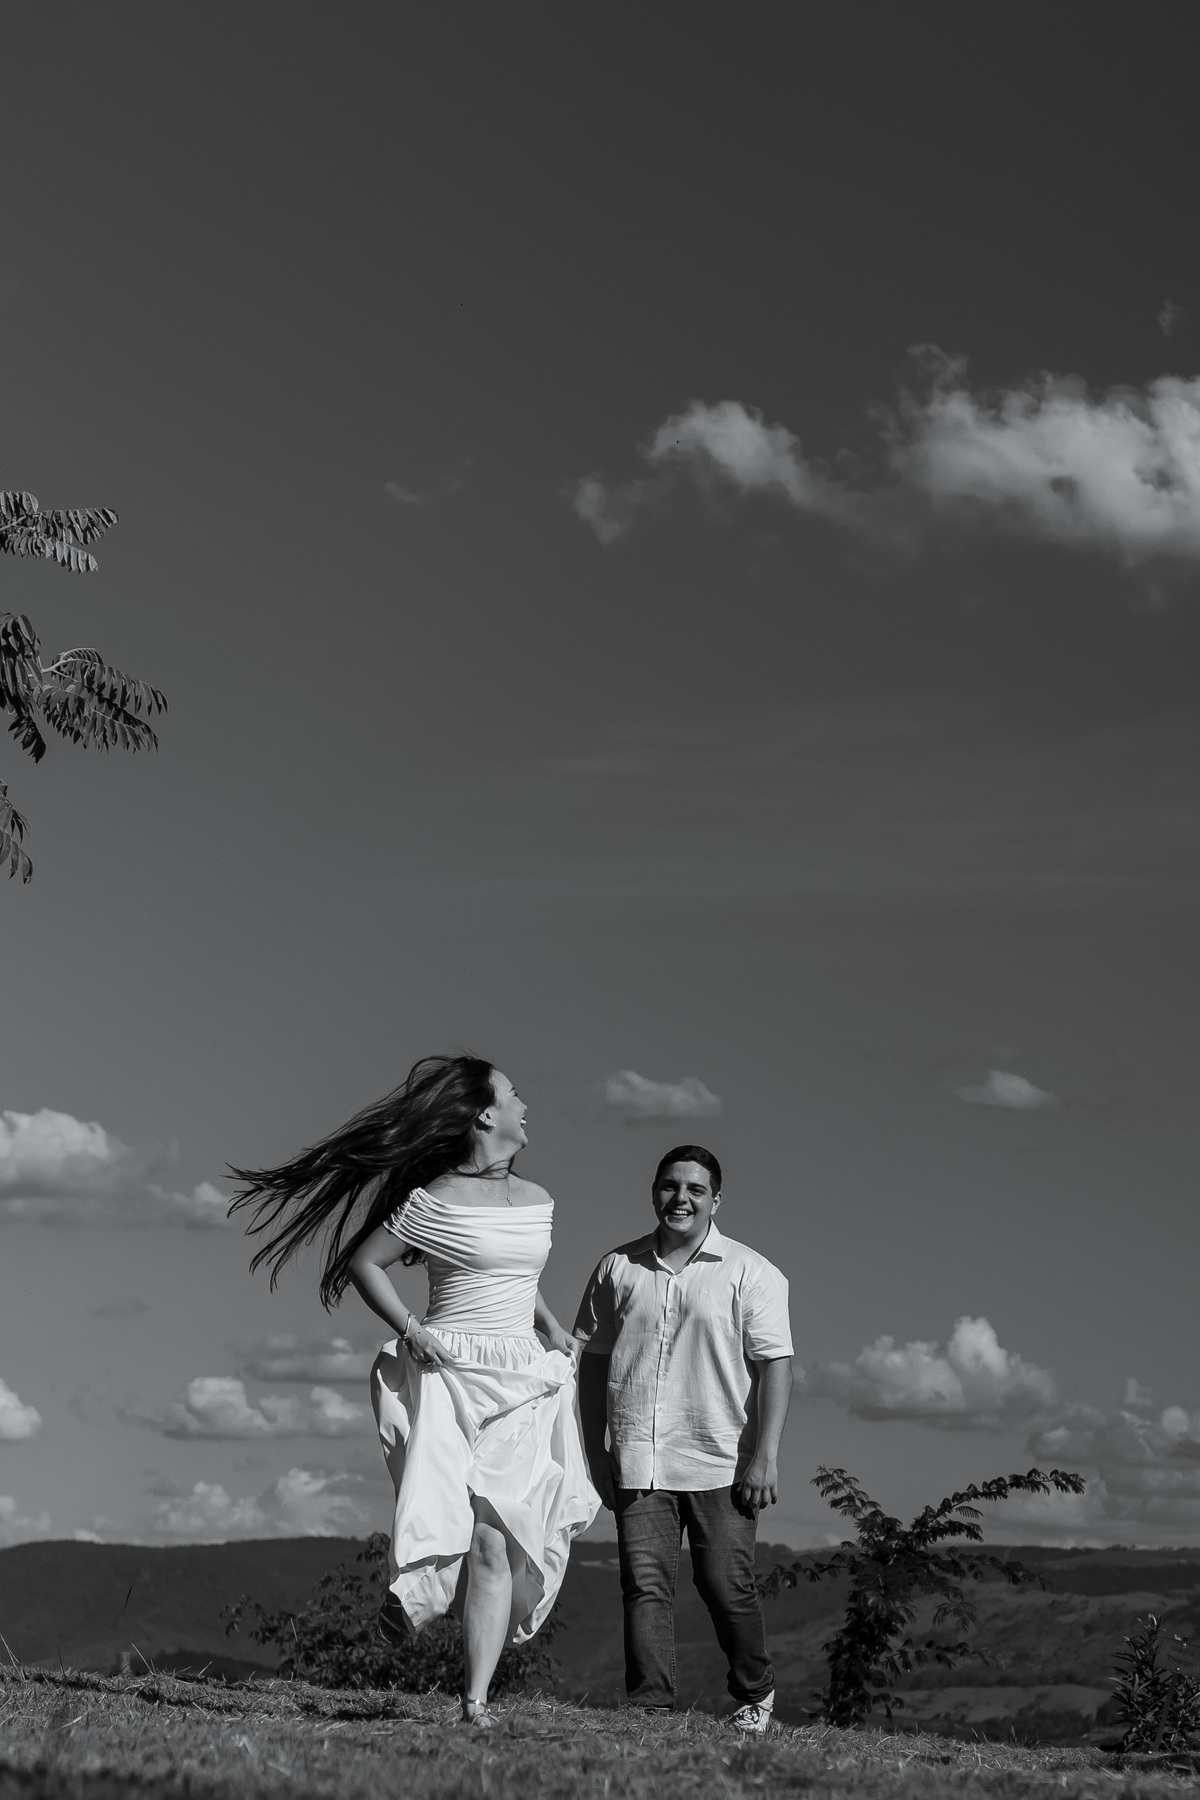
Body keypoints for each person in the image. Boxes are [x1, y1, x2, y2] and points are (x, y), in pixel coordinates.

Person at [230, 1053, 598, 1728]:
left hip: (523, 1377)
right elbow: (365, 1264)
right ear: (485, 1114)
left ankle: (474, 1694)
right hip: (453, 1371)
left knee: (503, 1536)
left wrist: (551, 1327)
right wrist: (411, 1327)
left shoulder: (539, 1200)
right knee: (469, 1531)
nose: (526, 1105)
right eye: (514, 1094)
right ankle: (435, 1631)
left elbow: (514, 1276)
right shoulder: (434, 1201)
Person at [573, 1144, 792, 1733]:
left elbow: (776, 1365)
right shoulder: (618, 1268)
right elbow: (589, 1362)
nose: (681, 1198)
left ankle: (755, 1689)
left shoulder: (752, 1271)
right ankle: (649, 1709)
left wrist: (765, 1457)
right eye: (671, 1186)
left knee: (725, 1583)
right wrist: (595, 1451)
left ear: (715, 1200)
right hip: (638, 1455)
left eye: (695, 1189)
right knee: (644, 1586)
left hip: (721, 1456)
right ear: (654, 1193)